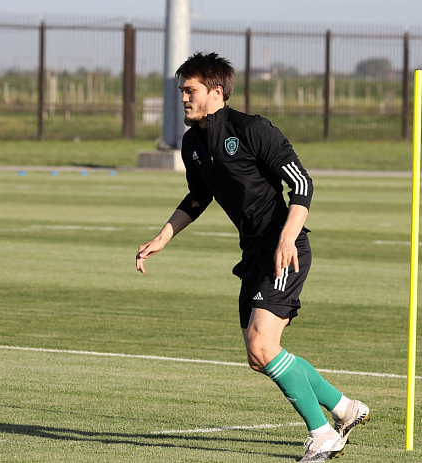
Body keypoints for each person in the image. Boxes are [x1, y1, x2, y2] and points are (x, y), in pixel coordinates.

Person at [136, 52, 369, 462]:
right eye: (181, 91)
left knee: (262, 346)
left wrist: (286, 239)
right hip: (255, 254)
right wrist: (162, 237)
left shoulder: (252, 129)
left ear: (216, 91)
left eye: (190, 91)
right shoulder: (193, 143)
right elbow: (198, 197)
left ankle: (323, 435)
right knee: (260, 356)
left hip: (285, 250)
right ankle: (345, 408)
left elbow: (302, 184)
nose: (183, 98)